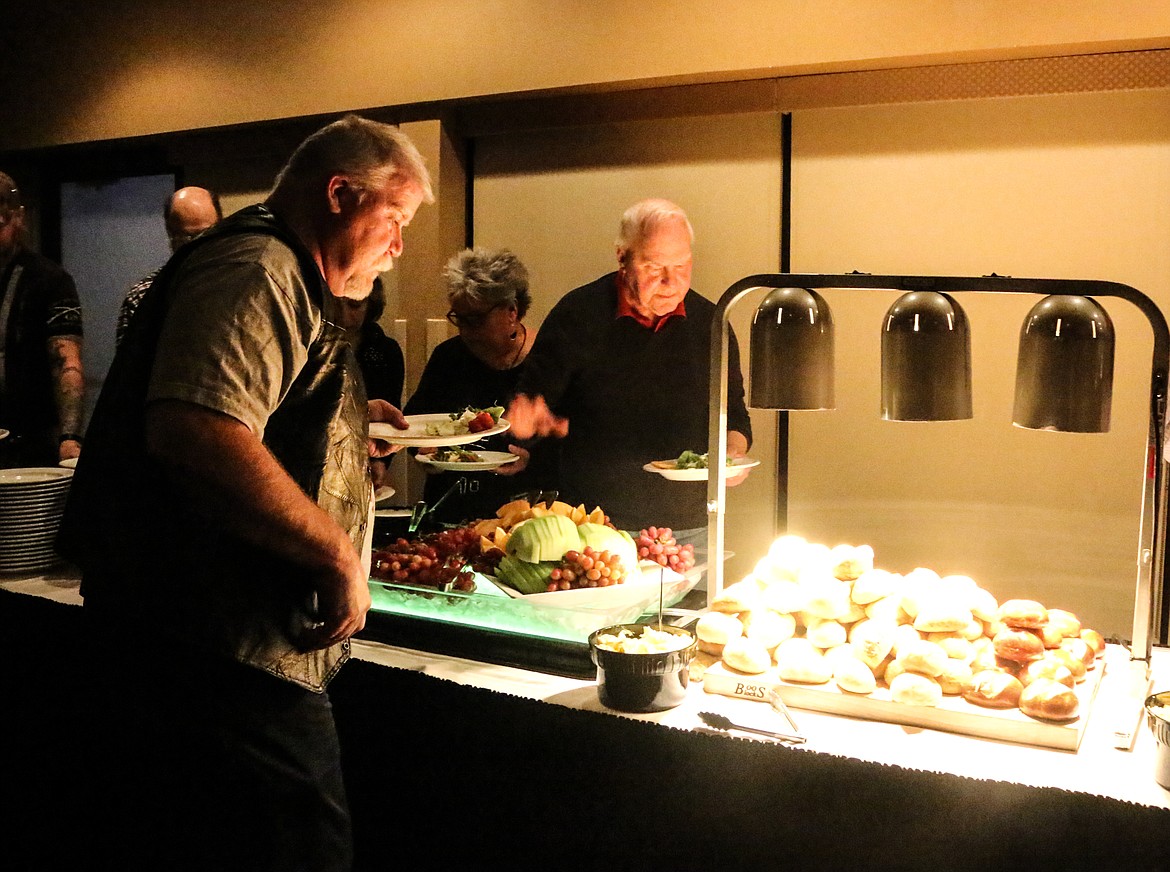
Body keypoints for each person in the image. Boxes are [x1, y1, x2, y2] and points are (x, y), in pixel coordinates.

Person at [57, 114, 431, 872]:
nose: (398, 247)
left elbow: (258, 417)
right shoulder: (259, 267)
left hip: (228, 645)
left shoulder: (281, 267)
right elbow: (196, 431)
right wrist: (334, 553)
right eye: (394, 220)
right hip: (219, 651)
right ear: (337, 194)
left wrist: (349, 425)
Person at [508, 198, 752, 555]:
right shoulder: (578, 315)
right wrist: (528, 425)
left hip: (692, 526)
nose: (670, 281)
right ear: (622, 258)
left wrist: (733, 453)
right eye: (654, 267)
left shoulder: (711, 324)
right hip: (595, 528)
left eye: (682, 265)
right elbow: (527, 410)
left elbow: (735, 414)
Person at [404, 247, 553, 524]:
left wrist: (533, 461)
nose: (464, 330)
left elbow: (575, 446)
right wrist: (425, 454)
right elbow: (414, 425)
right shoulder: (448, 357)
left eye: (475, 320)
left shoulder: (548, 362)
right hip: (451, 514)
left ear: (512, 311)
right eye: (458, 319)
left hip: (524, 520)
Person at [0, 172, 85, 468]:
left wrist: (70, 437)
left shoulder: (49, 279)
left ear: (18, 217)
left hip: (32, 440)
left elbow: (66, 363)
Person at [115, 185, 222, 347]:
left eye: (205, 234)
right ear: (171, 236)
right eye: (186, 237)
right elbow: (128, 366)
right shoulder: (144, 295)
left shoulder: (239, 286)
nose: (196, 244)